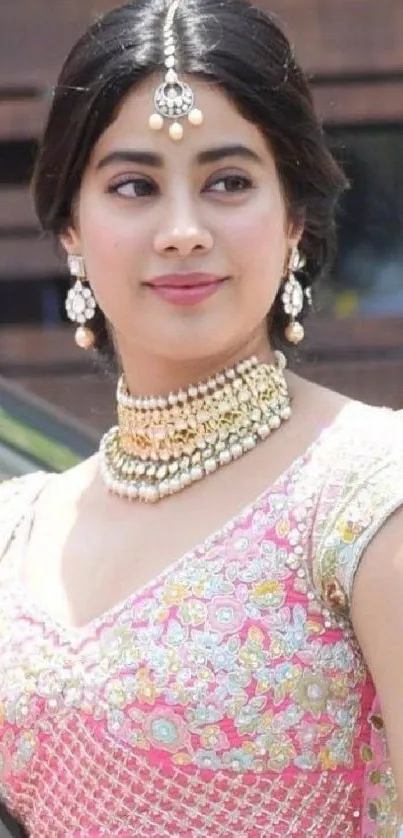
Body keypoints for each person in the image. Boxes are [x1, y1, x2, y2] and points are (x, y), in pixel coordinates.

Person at [1, 0, 403, 835]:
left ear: (293, 218)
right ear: (71, 227)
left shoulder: (368, 497)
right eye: (134, 186)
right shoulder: (16, 531)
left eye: (227, 182)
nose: (183, 232)